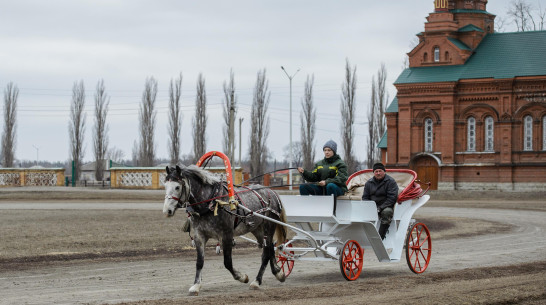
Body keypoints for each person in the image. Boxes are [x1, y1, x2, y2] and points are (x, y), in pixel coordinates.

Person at [362, 162, 399, 239]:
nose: (378, 173)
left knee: (387, 212)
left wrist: (380, 208)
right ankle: (362, 236)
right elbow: (365, 197)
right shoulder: (369, 183)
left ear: (384, 172)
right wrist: (369, 207)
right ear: (374, 173)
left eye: (380, 171)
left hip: (386, 206)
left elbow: (392, 198)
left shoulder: (391, 182)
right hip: (372, 205)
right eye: (376, 171)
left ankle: (380, 237)